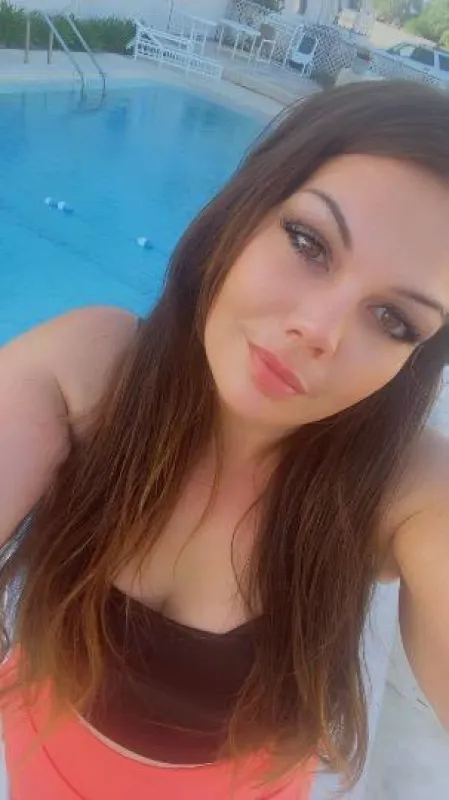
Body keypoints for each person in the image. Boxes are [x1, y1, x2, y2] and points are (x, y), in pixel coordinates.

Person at [1, 80, 449, 800]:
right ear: (244, 212)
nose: (319, 330)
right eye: (308, 242)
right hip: (41, 757)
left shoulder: (405, 491)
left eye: (393, 320)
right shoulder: (91, 371)